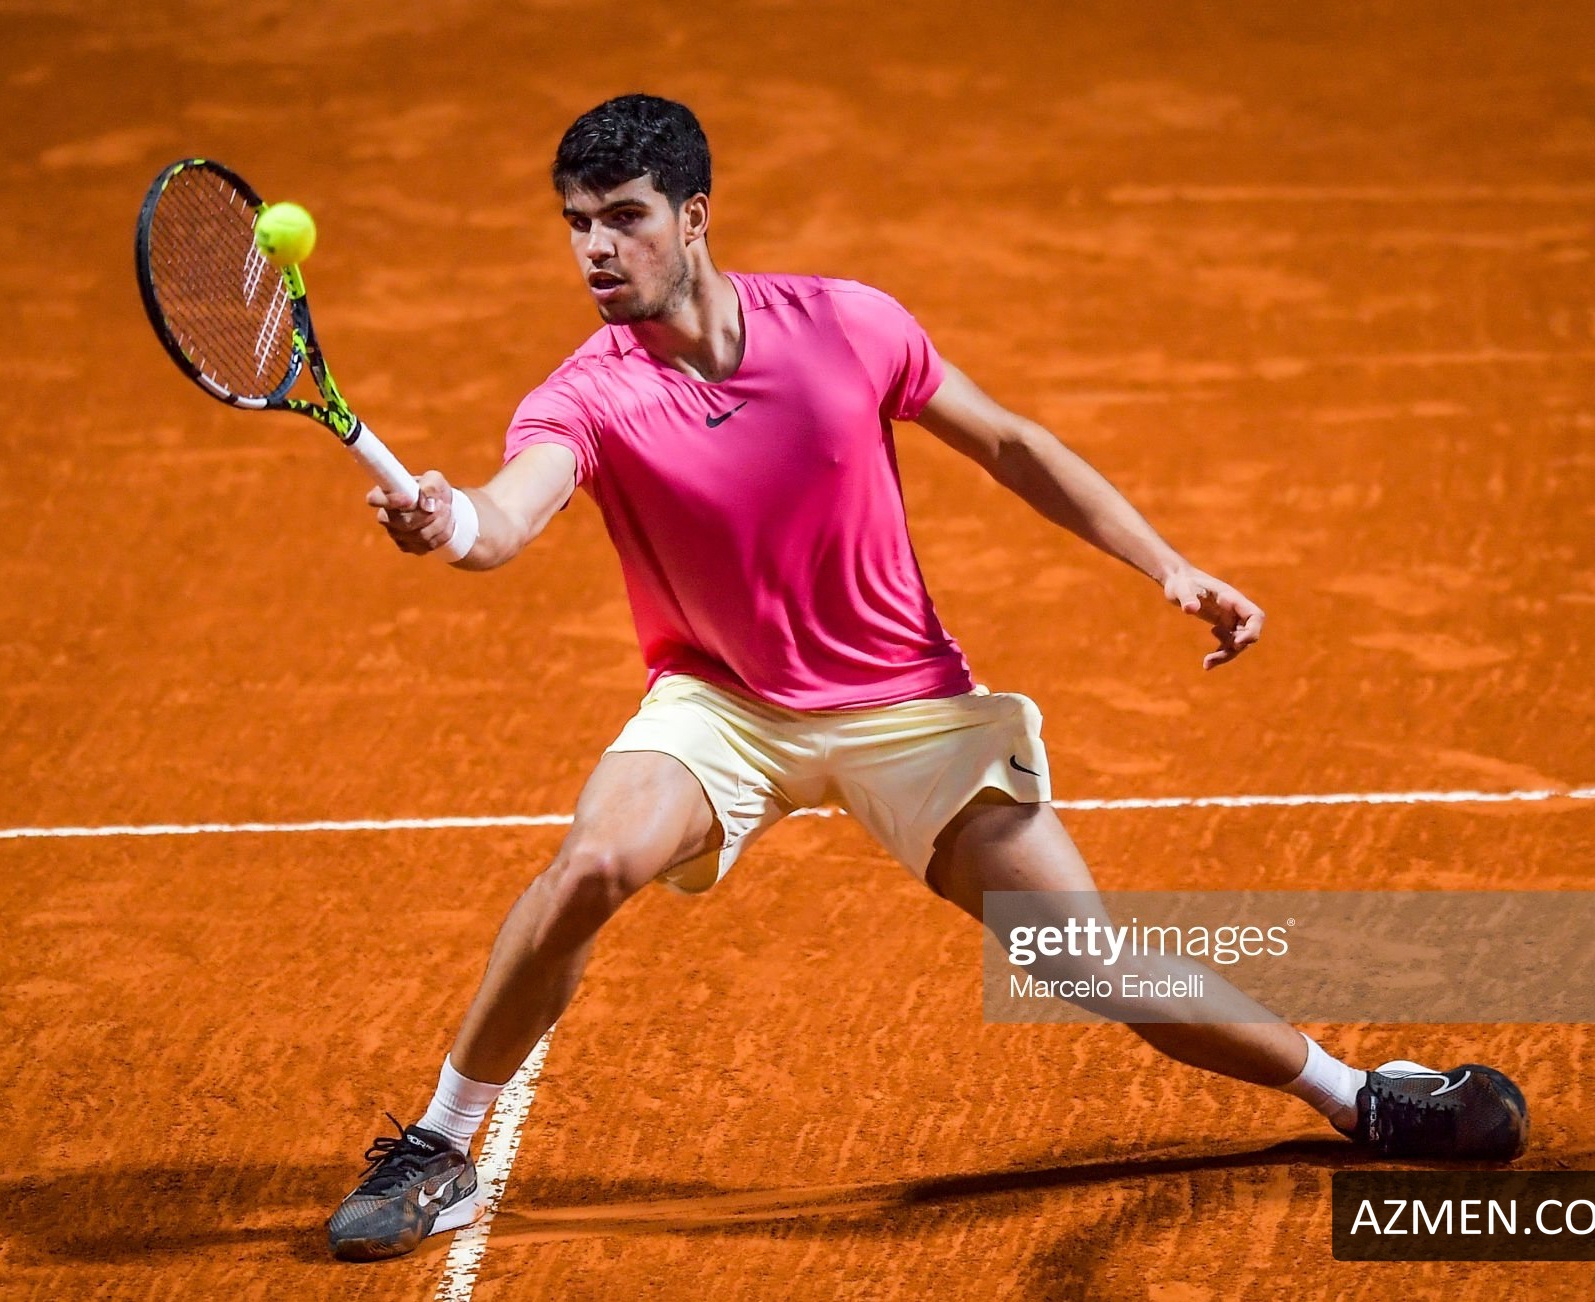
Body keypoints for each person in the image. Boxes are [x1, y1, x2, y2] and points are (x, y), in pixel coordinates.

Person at [325, 94, 1527, 1263]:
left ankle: (1359, 1096)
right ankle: (441, 1144)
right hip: (725, 704)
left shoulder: (843, 325)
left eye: (623, 216)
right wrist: (447, 520)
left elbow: (1007, 441)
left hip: (909, 707)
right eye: (576, 223)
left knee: (1086, 961)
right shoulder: (586, 394)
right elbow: (504, 518)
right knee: (593, 862)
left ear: (693, 216)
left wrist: (1165, 563)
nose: (595, 248)